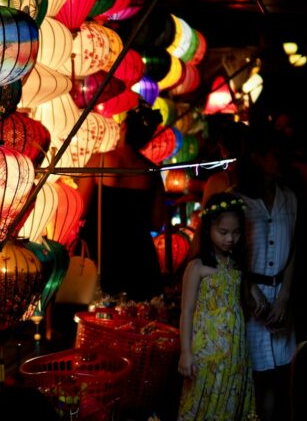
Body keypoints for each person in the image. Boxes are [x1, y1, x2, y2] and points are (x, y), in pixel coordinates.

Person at [234, 131, 297, 421]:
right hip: (251, 299)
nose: (280, 159)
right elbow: (232, 254)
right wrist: (252, 293)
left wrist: (284, 297)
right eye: (273, 153)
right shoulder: (238, 199)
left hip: (280, 297)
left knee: (279, 381)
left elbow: (294, 248)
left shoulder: (289, 199)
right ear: (257, 158)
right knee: (254, 382)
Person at [177, 192, 256, 420]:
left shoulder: (236, 267)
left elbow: (248, 300)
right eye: (223, 232)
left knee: (228, 407)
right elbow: (187, 311)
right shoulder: (197, 267)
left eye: (236, 232)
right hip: (206, 355)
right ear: (208, 229)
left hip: (235, 353)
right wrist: (186, 352)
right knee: (203, 406)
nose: (230, 238)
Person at [77, 106, 165, 302]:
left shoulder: (99, 161)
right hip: (137, 253)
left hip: (101, 246)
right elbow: (157, 222)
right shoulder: (151, 172)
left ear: (123, 127)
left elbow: (80, 209)